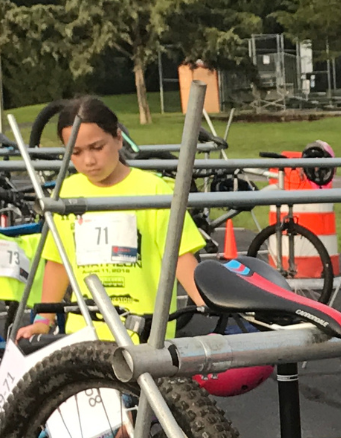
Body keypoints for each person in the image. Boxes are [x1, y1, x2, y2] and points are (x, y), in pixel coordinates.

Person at [17, 95, 204, 342]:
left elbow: (180, 257)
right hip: (85, 336)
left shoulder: (154, 189)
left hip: (146, 336)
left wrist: (213, 305)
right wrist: (43, 321)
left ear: (118, 138)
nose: (89, 161)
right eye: (76, 152)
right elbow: (58, 262)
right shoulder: (66, 191)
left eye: (97, 147)